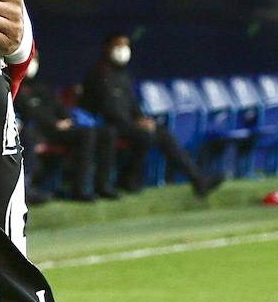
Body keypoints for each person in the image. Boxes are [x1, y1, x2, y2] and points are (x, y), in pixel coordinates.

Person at [81, 34, 222, 196]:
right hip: (105, 125)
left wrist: (142, 118)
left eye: (125, 46)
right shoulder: (99, 74)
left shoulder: (123, 74)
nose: (123, 50)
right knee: (145, 135)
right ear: (107, 48)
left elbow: (132, 104)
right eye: (118, 46)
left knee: (161, 132)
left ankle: (197, 179)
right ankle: (127, 178)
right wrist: (135, 124)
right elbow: (108, 109)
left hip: (126, 124)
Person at [16, 57, 117, 201]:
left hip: (60, 129)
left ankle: (104, 185)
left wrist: (66, 119)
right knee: (86, 134)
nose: (33, 62)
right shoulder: (16, 86)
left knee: (107, 133)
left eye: (36, 58)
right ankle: (81, 189)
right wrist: (55, 123)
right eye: (29, 58)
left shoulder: (43, 86)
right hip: (39, 131)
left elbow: (58, 106)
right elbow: (31, 112)